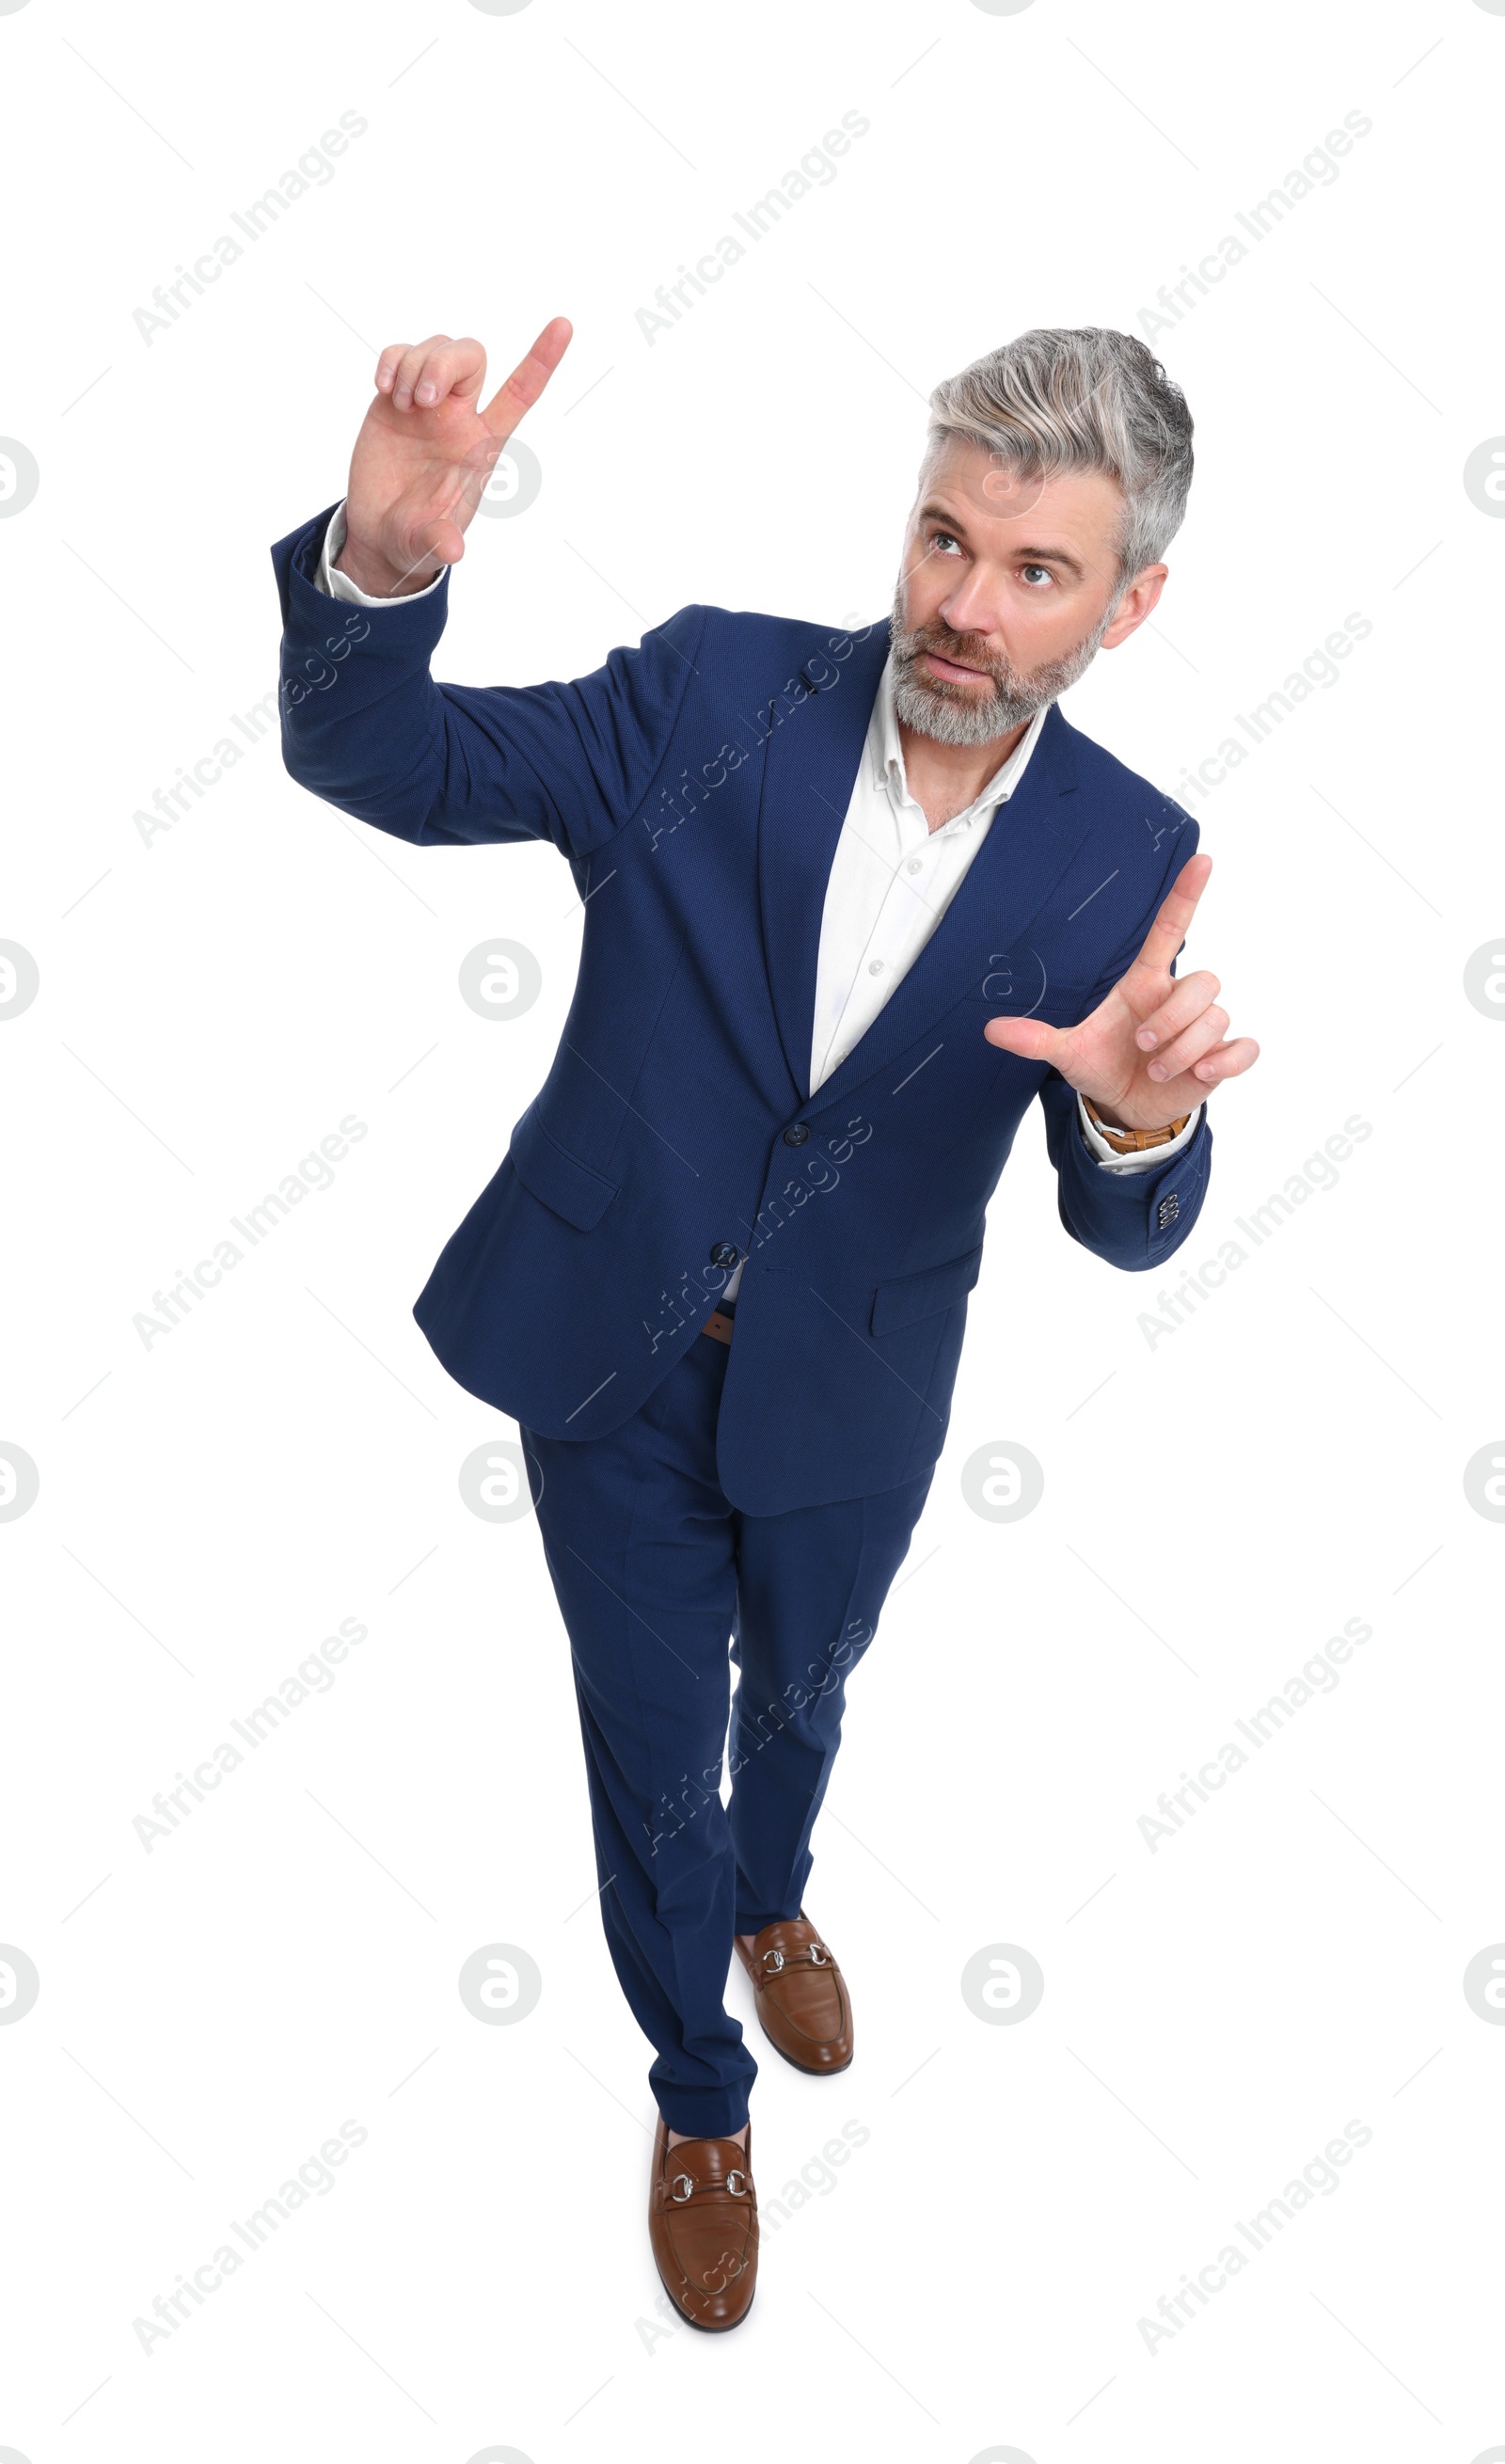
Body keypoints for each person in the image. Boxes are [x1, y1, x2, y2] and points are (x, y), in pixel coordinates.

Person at [272, 318, 1258, 2330]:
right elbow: (391, 760)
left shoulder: (1126, 853)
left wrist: (1137, 1116)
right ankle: (696, 2083)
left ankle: (775, 1891)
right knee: (652, 1759)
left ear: (1130, 600)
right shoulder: (718, 682)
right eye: (941, 538)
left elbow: (1123, 1220)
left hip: (856, 1391)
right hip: (607, 1360)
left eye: (1034, 570)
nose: (963, 607)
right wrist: (382, 567)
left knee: (799, 1700)